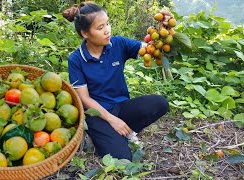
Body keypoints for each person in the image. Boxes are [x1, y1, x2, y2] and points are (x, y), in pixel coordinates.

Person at [63, 1, 169, 161]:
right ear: (85, 33)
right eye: (100, 28)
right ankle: (95, 136)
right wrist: (112, 120)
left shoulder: (118, 44)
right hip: (97, 115)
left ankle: (123, 131)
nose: (107, 30)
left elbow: (150, 49)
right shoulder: (76, 59)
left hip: (121, 106)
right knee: (122, 158)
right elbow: (84, 99)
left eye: (107, 24)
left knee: (160, 103)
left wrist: (164, 29)